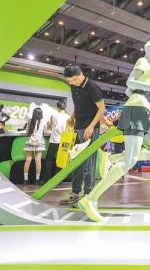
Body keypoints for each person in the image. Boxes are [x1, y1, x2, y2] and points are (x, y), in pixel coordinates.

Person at [77, 40, 150, 221]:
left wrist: (143, 93)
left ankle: (115, 158)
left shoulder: (147, 66)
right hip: (135, 109)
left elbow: (129, 90)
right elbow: (130, 82)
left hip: (141, 109)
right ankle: (90, 198)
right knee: (130, 161)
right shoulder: (143, 61)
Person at [59, 65, 106, 205]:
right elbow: (77, 104)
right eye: (70, 81)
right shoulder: (73, 86)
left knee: (88, 163)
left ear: (81, 74)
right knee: (76, 161)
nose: (73, 83)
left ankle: (88, 195)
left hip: (90, 129)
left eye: (74, 79)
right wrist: (72, 117)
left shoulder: (92, 87)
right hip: (78, 127)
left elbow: (102, 108)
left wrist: (91, 126)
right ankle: (75, 193)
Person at [46, 101, 70, 179]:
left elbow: (49, 126)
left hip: (55, 140)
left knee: (49, 159)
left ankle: (47, 178)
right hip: (64, 141)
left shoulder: (54, 115)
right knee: (61, 159)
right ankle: (58, 179)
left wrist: (48, 125)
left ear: (58, 107)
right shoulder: (68, 117)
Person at [23, 107, 45, 184]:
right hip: (39, 142)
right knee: (38, 161)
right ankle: (37, 180)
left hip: (30, 141)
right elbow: (43, 132)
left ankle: (25, 179)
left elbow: (27, 132)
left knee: (28, 160)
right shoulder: (42, 122)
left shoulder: (30, 121)